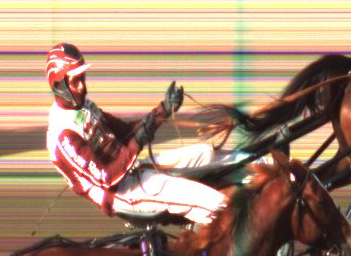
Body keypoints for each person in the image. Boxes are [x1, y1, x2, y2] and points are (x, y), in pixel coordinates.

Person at [41, 44, 237, 227]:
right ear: (60, 85)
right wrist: (137, 142)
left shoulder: (84, 107)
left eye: (83, 78)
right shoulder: (63, 135)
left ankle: (255, 166)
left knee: (204, 153)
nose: (82, 86)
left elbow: (126, 132)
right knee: (208, 200)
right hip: (120, 192)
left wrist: (162, 111)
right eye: (76, 81)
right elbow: (106, 178)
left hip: (133, 168)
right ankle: (237, 224)